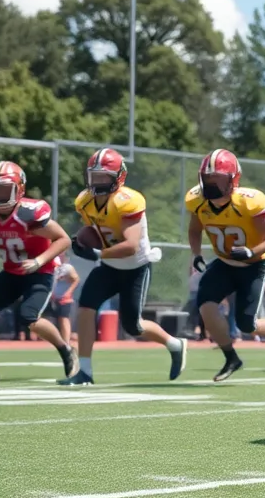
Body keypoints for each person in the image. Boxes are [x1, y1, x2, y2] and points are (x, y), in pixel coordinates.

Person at [62, 148, 188, 385]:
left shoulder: (128, 201)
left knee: (134, 325)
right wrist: (79, 240)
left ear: (118, 177)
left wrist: (96, 253)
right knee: (85, 309)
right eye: (94, 176)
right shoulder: (85, 201)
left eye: (104, 176)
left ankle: (175, 343)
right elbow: (93, 230)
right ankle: (85, 372)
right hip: (109, 266)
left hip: (135, 267)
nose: (98, 182)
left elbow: (130, 245)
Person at [186, 149, 265, 382]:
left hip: (254, 264)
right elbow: (195, 229)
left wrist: (251, 251)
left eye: (218, 178)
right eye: (207, 178)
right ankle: (231, 357)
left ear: (233, 179)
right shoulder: (197, 200)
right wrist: (195, 254)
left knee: (247, 324)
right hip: (224, 262)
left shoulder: (247, 202)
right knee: (205, 303)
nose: (211, 184)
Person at [0, 161, 75, 382]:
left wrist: (40, 260)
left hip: (40, 271)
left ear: (20, 189)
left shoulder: (29, 214)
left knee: (29, 317)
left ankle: (65, 350)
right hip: (11, 271)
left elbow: (63, 238)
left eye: (4, 190)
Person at [49, 255, 79, 347]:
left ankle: (66, 342)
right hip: (53, 297)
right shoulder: (54, 268)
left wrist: (68, 292)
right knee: (53, 320)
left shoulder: (67, 268)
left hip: (64, 298)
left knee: (64, 319)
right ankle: (59, 341)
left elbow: (76, 279)